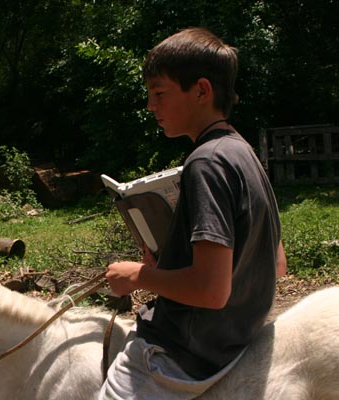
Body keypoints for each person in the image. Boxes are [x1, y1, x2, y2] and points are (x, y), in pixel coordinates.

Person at [99, 27, 287, 399]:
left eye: (159, 93)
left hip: (179, 357)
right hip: (231, 345)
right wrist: (169, 264)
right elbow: (276, 264)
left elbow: (211, 290)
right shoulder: (242, 153)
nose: (151, 106)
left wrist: (139, 275)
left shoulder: (205, 163)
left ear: (201, 90)